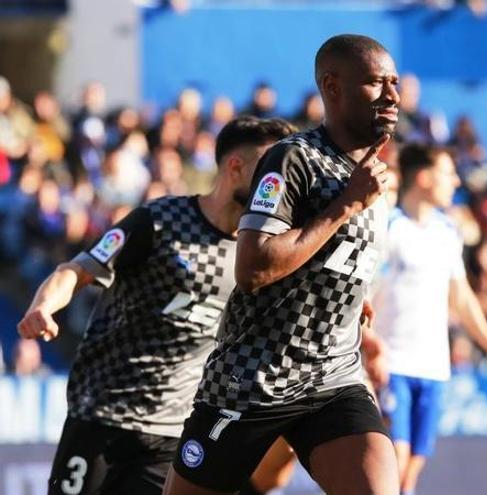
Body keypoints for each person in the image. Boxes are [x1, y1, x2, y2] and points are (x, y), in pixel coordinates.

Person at [163, 34, 400, 495]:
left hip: (333, 377)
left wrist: (358, 305)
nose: (392, 95)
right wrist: (346, 205)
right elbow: (253, 268)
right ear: (332, 87)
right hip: (254, 378)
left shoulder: (371, 173)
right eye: (375, 83)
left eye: (394, 82)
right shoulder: (294, 160)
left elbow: (334, 260)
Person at [16, 116, 295, 495]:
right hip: (101, 416)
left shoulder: (261, 252)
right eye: (271, 170)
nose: (279, 185)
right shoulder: (160, 221)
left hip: (170, 434)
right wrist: (43, 307)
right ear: (235, 167)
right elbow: (76, 270)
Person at [372, 143, 487, 495]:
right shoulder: (389, 227)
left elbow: (462, 299)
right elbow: (363, 295)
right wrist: (369, 350)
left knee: (409, 475)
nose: (455, 181)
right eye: (447, 173)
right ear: (423, 177)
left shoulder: (446, 231)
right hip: (392, 364)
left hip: (434, 367)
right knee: (395, 459)